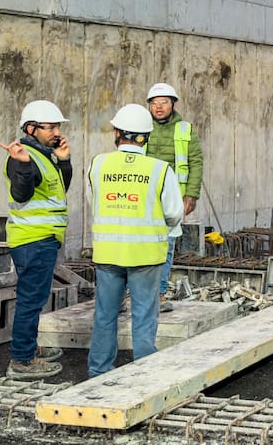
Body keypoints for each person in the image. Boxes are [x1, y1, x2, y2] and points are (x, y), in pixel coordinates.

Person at [87, 104, 184, 378]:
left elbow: (93, 202)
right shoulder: (160, 170)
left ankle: (99, 372)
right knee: (143, 317)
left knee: (105, 315)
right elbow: (174, 213)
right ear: (147, 136)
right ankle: (144, 376)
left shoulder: (98, 164)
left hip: (107, 254)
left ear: (117, 132)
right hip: (145, 255)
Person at [0, 100, 73, 380]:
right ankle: (21, 359)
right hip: (33, 240)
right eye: (50, 127)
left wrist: (63, 160)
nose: (56, 131)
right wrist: (24, 165)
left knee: (35, 298)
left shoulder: (44, 155)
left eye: (57, 126)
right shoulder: (23, 156)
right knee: (31, 299)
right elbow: (21, 193)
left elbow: (59, 190)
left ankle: (27, 348)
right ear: (31, 128)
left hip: (42, 239)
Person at [146, 82, 203, 312]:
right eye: (154, 103)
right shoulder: (141, 127)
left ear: (173, 105)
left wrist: (191, 194)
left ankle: (158, 294)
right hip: (144, 196)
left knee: (167, 245)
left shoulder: (185, 129)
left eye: (164, 103)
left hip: (172, 197)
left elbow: (196, 162)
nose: (158, 108)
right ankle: (136, 293)